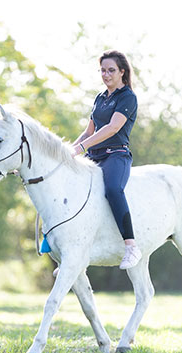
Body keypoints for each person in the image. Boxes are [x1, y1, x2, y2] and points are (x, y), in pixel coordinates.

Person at [71, 50, 142, 270]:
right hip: (94, 156)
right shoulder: (100, 98)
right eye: (102, 70)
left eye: (111, 70)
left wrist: (83, 147)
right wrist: (67, 151)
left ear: (122, 72)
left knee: (112, 189)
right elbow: (88, 131)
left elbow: (112, 128)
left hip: (116, 156)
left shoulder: (127, 97)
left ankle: (131, 246)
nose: (106, 74)